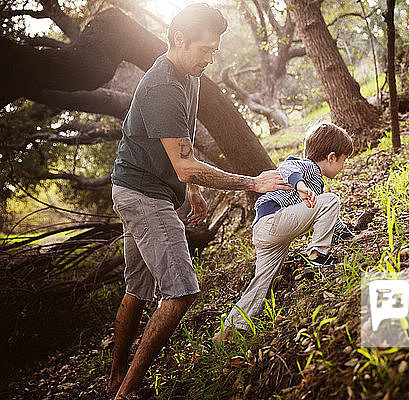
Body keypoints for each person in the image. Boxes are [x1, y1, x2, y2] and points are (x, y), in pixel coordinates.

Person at [107, 4, 290, 398]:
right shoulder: (162, 86)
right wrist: (252, 183)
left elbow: (180, 152)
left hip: (139, 188)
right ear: (178, 40)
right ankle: (126, 392)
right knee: (183, 291)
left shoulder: (187, 75)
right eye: (204, 49)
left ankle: (114, 376)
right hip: (143, 196)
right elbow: (187, 166)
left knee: (137, 288)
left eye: (214, 50)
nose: (210, 58)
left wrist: (190, 188)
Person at [213, 122, 355, 343]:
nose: (344, 166)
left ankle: (229, 331)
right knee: (331, 201)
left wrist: (349, 237)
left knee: (262, 282)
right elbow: (287, 167)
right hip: (274, 220)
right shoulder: (308, 167)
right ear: (331, 156)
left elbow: (328, 219)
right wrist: (299, 185)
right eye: (344, 160)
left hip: (265, 230)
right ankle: (317, 256)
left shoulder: (316, 187)